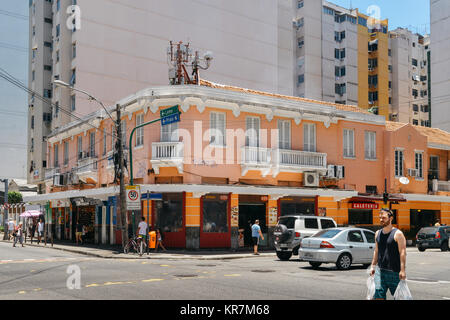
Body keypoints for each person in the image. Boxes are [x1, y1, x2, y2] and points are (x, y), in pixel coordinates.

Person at [370, 208, 407, 300]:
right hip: (380, 271)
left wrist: (402, 270)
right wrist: (373, 266)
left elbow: (402, 253)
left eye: (384, 218)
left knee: (399, 297)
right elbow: (376, 251)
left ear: (391, 218)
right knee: (378, 297)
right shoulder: (377, 233)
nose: (381, 220)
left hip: (394, 272)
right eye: (380, 218)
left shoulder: (398, 234)